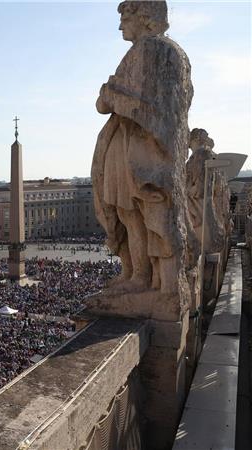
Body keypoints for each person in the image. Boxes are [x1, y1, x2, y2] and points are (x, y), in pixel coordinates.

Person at [92, 0, 193, 294]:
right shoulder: (174, 54)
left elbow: (118, 103)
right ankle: (140, 275)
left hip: (136, 149)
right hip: (139, 146)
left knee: (133, 214)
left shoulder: (148, 51)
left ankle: (141, 277)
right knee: (132, 214)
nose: (121, 24)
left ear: (145, 17)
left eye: (126, 16)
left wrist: (110, 93)